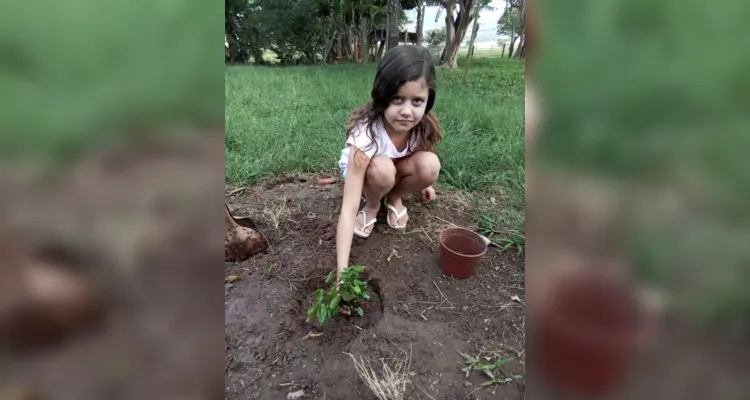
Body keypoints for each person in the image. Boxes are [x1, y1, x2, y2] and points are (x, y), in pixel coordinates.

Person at [335, 45, 442, 278]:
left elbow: (415, 154)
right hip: (368, 173)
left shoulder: (421, 125)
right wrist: (342, 275)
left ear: (428, 100)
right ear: (382, 96)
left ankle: (394, 196)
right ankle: (373, 204)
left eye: (417, 101)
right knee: (383, 170)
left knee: (431, 165)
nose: (407, 111)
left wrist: (424, 183)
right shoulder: (366, 136)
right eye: (397, 99)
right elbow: (347, 209)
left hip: (393, 168)